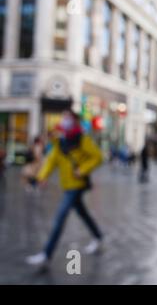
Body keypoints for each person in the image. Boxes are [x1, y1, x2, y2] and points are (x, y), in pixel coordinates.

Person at [26, 110, 103, 267]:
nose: (64, 120)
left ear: (74, 121)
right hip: (67, 185)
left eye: (68, 118)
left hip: (77, 185)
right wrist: (42, 178)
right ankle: (98, 236)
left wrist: (82, 170)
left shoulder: (82, 139)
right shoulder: (60, 141)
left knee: (59, 218)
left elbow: (98, 157)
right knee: (83, 213)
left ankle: (46, 254)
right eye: (63, 117)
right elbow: (51, 161)